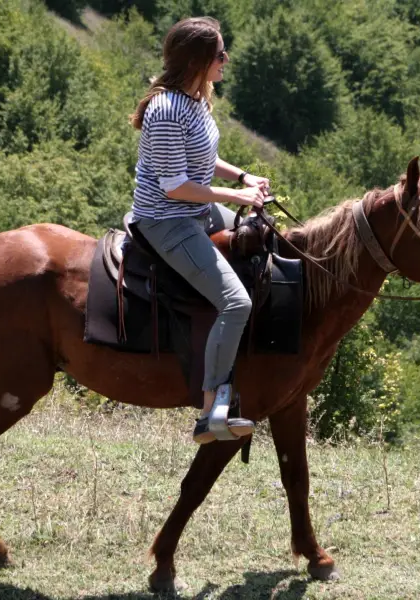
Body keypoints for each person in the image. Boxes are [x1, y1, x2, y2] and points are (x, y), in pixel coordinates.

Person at [129, 16, 269, 444]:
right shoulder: (168, 109)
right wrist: (237, 198)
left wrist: (243, 176)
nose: (226, 60)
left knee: (264, 242)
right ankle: (211, 409)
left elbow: (203, 158)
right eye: (219, 54)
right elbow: (175, 187)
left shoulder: (194, 101)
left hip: (196, 213)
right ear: (198, 60)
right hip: (168, 221)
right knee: (236, 302)